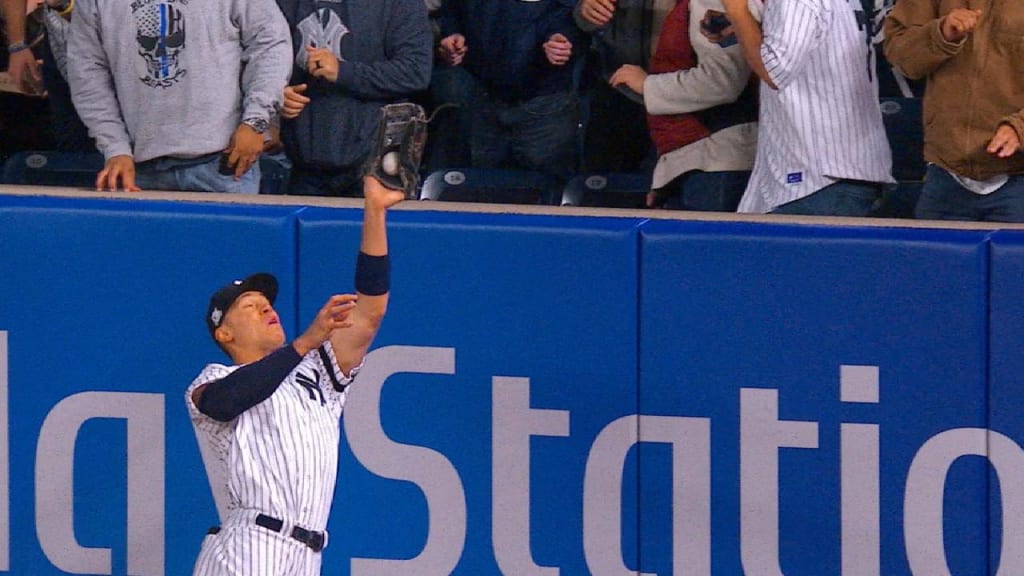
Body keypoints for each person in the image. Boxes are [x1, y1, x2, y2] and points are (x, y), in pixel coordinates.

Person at [187, 175, 405, 576]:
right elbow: (225, 401)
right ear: (225, 332)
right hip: (249, 547)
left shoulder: (316, 371)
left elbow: (370, 311)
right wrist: (305, 342)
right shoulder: (213, 378)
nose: (267, 308)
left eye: (268, 302)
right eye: (250, 305)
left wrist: (374, 213)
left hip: (307, 555)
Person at [66, 0, 292, 193]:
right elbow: (86, 75)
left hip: (226, 163)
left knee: (230, 245)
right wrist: (115, 148)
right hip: (135, 169)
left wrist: (255, 121)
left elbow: (271, 45)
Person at [722, 0, 894, 216]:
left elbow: (774, 70)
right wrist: (745, 23)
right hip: (841, 171)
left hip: (817, 178)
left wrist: (737, 11)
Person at [609, 0, 758, 211]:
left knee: (709, 242)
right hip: (699, 158)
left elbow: (723, 82)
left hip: (716, 158)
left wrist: (648, 85)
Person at [884, 3, 1024, 222]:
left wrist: (1020, 128)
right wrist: (941, 34)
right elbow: (902, 57)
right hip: (945, 175)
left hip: (1018, 175)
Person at [277, 0, 432, 197]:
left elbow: (416, 71)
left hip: (375, 165)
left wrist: (343, 71)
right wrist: (280, 93)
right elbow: (264, 58)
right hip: (303, 160)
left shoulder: (399, 4)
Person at [437, 0, 584, 200]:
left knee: (551, 199)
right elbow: (452, 10)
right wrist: (452, 34)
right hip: (482, 99)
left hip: (545, 106)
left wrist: (563, 39)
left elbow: (577, 15)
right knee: (482, 195)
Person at [574, 0, 675, 173]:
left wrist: (651, 86)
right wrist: (586, 10)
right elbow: (583, 20)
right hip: (617, 90)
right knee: (603, 187)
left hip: (683, 99)